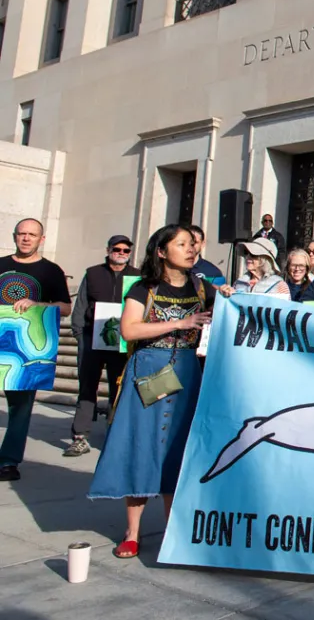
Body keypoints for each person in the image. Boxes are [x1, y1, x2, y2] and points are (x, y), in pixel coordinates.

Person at [87, 224, 233, 558]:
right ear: (162, 251)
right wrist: (179, 323)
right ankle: (132, 532)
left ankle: (172, 530)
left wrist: (231, 297)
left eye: (193, 243)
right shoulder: (143, 287)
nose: (191, 248)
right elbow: (129, 329)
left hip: (187, 372)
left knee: (178, 452)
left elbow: (235, 314)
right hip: (148, 373)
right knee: (141, 446)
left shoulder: (203, 287)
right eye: (182, 244)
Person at [0, 219, 72, 482]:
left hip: (26, 349)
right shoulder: (1, 264)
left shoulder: (51, 271)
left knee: (20, 407)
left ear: (41, 239)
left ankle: (8, 461)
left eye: (32, 234)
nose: (26, 238)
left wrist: (37, 304)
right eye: (21, 234)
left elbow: (66, 308)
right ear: (14, 236)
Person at [64, 235, 140, 457]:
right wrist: (79, 333)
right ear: (108, 250)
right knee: (87, 388)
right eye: (117, 249)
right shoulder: (93, 273)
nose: (121, 253)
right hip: (91, 339)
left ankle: (114, 433)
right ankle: (79, 437)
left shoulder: (136, 277)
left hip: (122, 341)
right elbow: (81, 305)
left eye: (126, 250)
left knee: (119, 387)